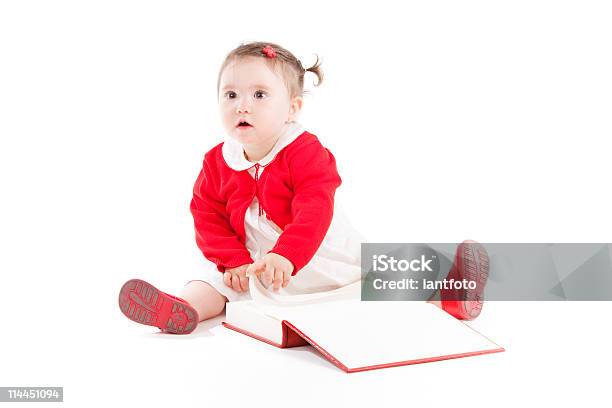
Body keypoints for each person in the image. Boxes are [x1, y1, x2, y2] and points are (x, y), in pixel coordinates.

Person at [118, 41, 488, 334]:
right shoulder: (219, 160)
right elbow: (206, 214)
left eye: (259, 95)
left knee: (378, 283)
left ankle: (449, 296)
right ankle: (182, 309)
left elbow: (316, 207)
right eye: (231, 95)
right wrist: (233, 260)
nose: (242, 106)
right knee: (214, 284)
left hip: (317, 254)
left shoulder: (306, 152)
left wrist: (288, 254)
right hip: (257, 263)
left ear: (291, 108)